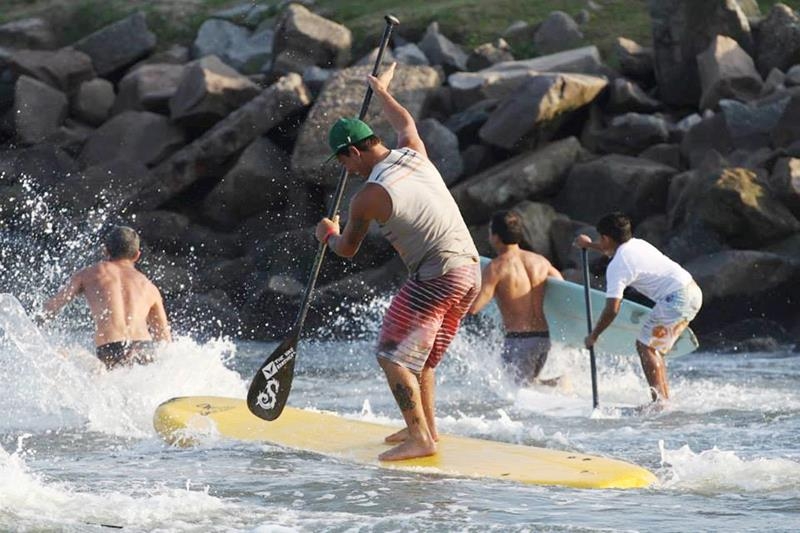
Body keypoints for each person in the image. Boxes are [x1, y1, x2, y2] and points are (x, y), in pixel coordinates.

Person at [315, 62, 480, 461]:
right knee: (419, 360)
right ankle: (427, 430)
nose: (345, 170)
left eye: (343, 162)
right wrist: (381, 90)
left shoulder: (368, 196)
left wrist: (327, 236)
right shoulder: (413, 154)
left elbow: (347, 250)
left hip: (438, 274)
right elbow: (405, 120)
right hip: (471, 271)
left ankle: (419, 437)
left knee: (391, 355)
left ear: (354, 152)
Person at [574, 212, 702, 404]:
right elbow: (611, 250)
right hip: (692, 291)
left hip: (677, 298)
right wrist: (589, 245)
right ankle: (663, 400)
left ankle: (660, 404)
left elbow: (612, 309)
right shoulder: (637, 244)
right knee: (652, 348)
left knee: (646, 346)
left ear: (606, 238)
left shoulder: (617, 266)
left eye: (601, 239)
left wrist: (594, 335)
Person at [41, 225, 171, 370]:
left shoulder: (88, 274)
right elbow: (164, 338)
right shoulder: (149, 287)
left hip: (111, 349)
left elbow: (51, 307)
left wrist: (34, 329)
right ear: (137, 255)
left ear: (105, 250)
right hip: (145, 349)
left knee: (65, 354)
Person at [469, 210, 564, 386]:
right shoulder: (540, 261)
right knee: (530, 385)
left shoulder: (496, 267)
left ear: (495, 237)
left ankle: (560, 384)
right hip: (543, 338)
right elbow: (561, 285)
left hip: (519, 341)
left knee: (515, 393)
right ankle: (558, 383)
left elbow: (475, 306)